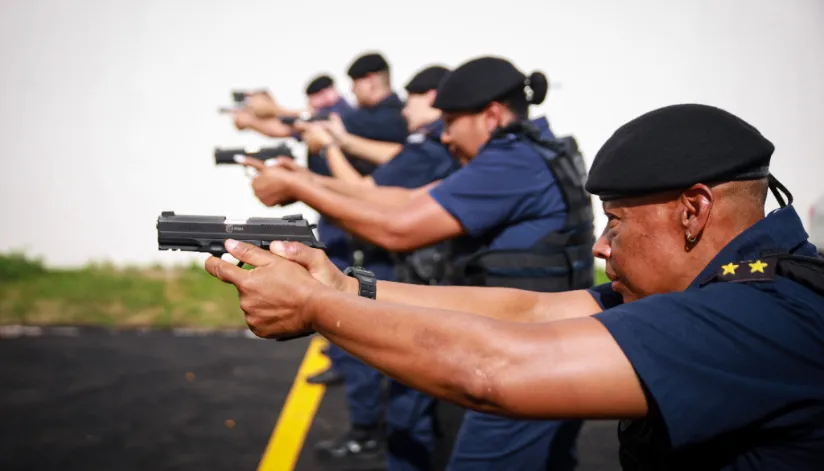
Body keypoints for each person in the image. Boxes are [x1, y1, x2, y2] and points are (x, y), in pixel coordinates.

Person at [207, 102, 824, 471]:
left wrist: (317, 308)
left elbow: (493, 372)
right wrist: (347, 288)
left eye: (616, 220)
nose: (601, 245)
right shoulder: (712, 289)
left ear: (693, 211)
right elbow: (525, 311)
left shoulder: (761, 312)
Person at [239, 56, 594, 470]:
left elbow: (397, 227)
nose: (443, 137)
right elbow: (408, 200)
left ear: (492, 116)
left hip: (522, 358)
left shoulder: (510, 161)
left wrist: (302, 188)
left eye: (450, 122)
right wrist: (307, 180)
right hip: (539, 345)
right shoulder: (531, 151)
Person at [244, 64, 458, 471]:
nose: (404, 109)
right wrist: (308, 172)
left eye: (412, 99)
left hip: (404, 265)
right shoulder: (422, 141)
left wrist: (313, 168)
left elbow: (374, 196)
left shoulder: (425, 143)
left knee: (398, 369)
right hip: (405, 265)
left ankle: (379, 441)